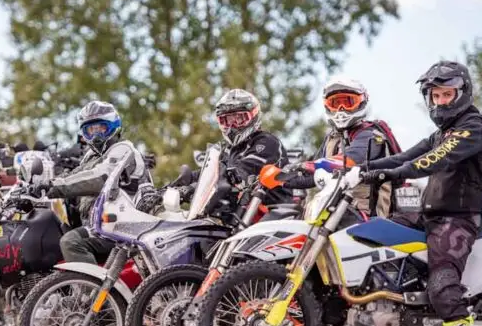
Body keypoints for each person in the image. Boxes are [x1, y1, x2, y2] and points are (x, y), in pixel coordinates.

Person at [361, 60, 482, 326]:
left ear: (462, 93)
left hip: (458, 219)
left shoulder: (472, 127)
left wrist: (391, 173)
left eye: (447, 94)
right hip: (429, 215)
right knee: (371, 235)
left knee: (443, 286)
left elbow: (433, 159)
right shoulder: (441, 132)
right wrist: (359, 170)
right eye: (435, 96)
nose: (440, 101)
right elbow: (404, 156)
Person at [291, 76, 402, 326]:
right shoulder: (331, 137)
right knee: (317, 283)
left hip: (366, 219)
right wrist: (280, 177)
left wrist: (313, 167)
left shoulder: (371, 134)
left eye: (347, 102)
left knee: (334, 285)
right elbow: (313, 171)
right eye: (335, 102)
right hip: (334, 220)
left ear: (361, 104)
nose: (341, 109)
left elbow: (350, 160)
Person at [37, 100, 154, 265]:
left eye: (101, 128)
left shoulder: (123, 149)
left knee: (71, 242)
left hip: (125, 227)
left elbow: (100, 177)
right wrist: (39, 186)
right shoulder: (91, 156)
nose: (96, 135)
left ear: (114, 126)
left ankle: (88, 283)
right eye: (91, 130)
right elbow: (75, 175)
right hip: (106, 225)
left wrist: (54, 187)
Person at [174, 88, 292, 205]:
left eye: (239, 119)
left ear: (254, 115)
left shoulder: (267, 142)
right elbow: (212, 173)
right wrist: (183, 182)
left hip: (274, 208)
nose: (232, 127)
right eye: (226, 121)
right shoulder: (229, 150)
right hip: (243, 211)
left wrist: (193, 188)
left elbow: (243, 170)